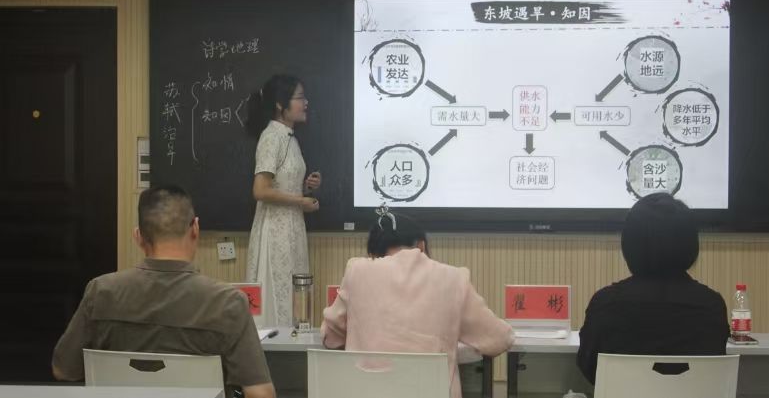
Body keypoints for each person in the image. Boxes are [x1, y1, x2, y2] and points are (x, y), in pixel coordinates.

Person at [52, 185, 275, 398]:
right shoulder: (228, 302)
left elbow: (63, 370)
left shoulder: (100, 292)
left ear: (138, 237)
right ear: (195, 229)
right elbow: (260, 394)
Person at [321, 207, 514, 398]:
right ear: (421, 246)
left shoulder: (357, 271)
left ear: (372, 253)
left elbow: (330, 337)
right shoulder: (453, 279)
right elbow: (499, 339)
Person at [577, 193, 730, 384]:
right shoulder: (711, 305)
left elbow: (589, 367)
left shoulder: (606, 303)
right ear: (691, 244)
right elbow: (714, 370)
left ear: (629, 245)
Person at [245, 74, 321, 328]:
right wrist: (300, 200)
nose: (305, 103)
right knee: (276, 299)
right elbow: (260, 190)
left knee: (293, 298)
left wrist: (306, 187)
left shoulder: (290, 137)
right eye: (299, 98)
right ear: (280, 104)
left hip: (292, 228)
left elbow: (282, 184)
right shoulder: (271, 137)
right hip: (275, 231)